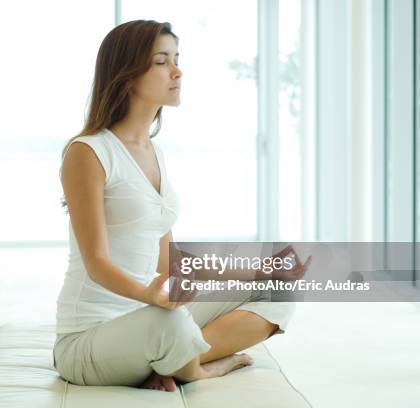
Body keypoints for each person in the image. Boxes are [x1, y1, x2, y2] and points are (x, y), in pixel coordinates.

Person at [53, 19, 311, 392]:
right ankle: (202, 368)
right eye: (162, 61)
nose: (177, 71)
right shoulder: (87, 153)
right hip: (88, 340)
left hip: (146, 318)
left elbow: (167, 264)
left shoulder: (152, 153)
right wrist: (149, 296)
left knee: (278, 293)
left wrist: (258, 271)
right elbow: (96, 263)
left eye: (176, 58)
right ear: (126, 76)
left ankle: (173, 361)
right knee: (170, 324)